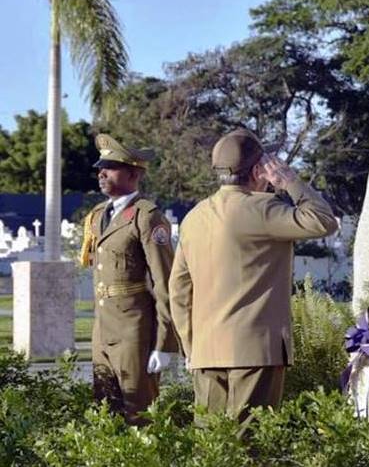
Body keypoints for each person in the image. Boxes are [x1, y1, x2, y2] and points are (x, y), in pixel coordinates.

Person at [169, 128, 338, 426]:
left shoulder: (194, 217)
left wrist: (191, 345)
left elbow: (179, 289)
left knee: (213, 449)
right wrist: (289, 182)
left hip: (206, 352)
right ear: (259, 170)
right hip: (255, 353)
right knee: (250, 448)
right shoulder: (263, 208)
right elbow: (323, 220)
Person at [80, 134, 178, 424]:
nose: (102, 173)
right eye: (101, 167)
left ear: (134, 173)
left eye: (110, 167)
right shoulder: (98, 215)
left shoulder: (147, 217)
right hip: (103, 330)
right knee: (105, 411)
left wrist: (164, 343)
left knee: (138, 412)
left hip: (135, 331)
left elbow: (165, 282)